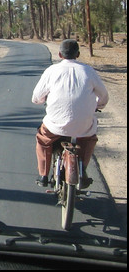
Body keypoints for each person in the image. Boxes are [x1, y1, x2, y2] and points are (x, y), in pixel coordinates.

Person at [31, 39, 109, 187]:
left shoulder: (52, 71)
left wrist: (44, 99)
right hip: (83, 126)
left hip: (55, 126)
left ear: (60, 54)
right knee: (89, 139)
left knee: (43, 140)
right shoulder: (89, 71)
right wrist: (98, 105)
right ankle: (82, 171)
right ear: (78, 54)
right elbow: (104, 96)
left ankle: (43, 175)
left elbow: (36, 98)